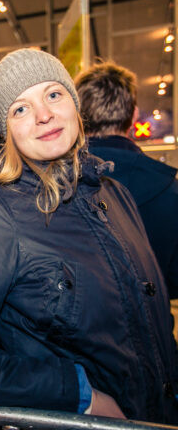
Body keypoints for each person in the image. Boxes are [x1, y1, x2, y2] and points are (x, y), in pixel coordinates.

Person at [0, 49, 178, 424]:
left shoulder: (114, 192)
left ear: (73, 102)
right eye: (20, 109)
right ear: (8, 133)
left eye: (53, 94)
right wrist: (77, 395)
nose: (43, 115)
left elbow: (150, 317)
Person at [75, 62, 178, 299]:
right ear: (133, 116)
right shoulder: (170, 190)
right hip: (153, 329)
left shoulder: (56, 185)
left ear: (79, 117)